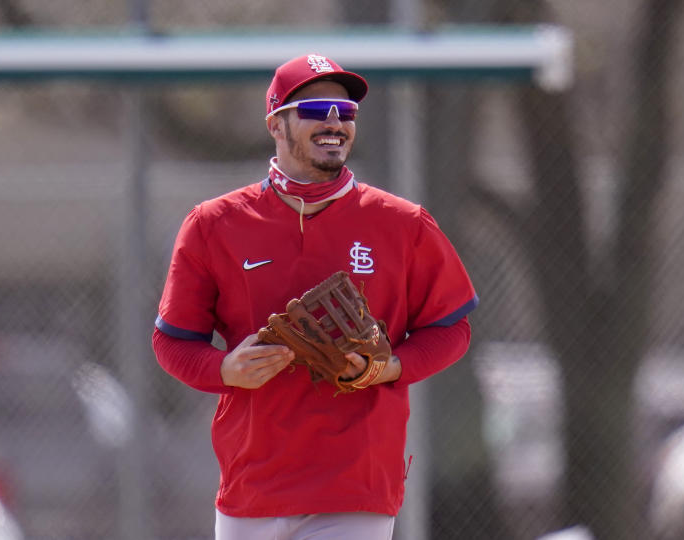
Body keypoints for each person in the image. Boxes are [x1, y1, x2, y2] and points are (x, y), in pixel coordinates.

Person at [152, 53, 478, 540]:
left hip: (355, 486)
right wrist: (222, 369)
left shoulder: (402, 223)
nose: (334, 122)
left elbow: (452, 328)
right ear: (276, 124)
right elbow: (173, 342)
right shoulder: (213, 225)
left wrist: (388, 367)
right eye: (315, 109)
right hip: (251, 482)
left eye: (346, 112)